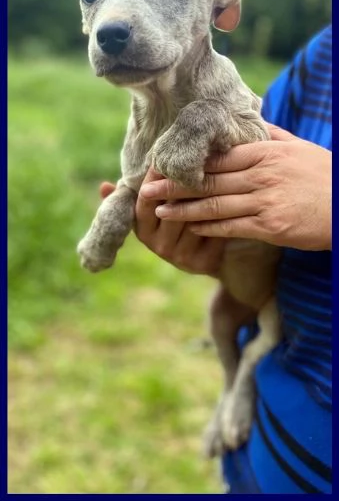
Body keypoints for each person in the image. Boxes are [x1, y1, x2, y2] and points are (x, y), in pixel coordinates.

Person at [100, 25, 332, 494]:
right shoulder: (319, 62)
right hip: (261, 452)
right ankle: (232, 389)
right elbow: (258, 161)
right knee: (223, 316)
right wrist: (216, 250)